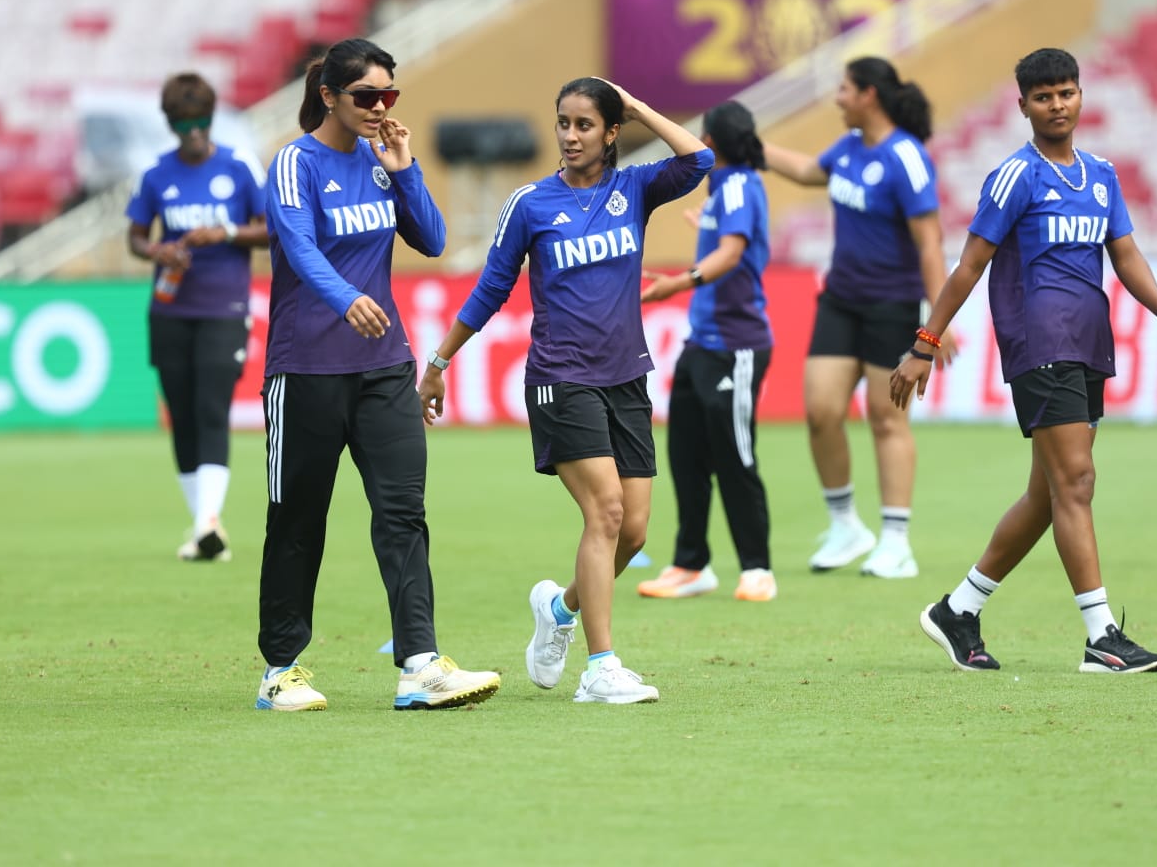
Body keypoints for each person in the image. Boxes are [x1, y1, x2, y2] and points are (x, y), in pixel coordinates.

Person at [890, 47, 1157, 674]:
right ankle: (1102, 635)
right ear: (1022, 105)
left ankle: (958, 610)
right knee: (1076, 482)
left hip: (1086, 343)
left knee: (1048, 491)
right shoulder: (1015, 176)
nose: (1057, 104)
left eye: (1066, 92)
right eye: (1044, 96)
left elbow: (1126, 254)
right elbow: (970, 264)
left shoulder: (1101, 175)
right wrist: (926, 343)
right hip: (1038, 343)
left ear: (1081, 96)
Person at [418, 77, 713, 704]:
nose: (570, 135)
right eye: (563, 123)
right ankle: (600, 668)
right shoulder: (530, 203)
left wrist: (635, 106)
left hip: (626, 377)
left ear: (610, 133)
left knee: (633, 532)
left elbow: (699, 159)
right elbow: (491, 288)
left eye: (585, 124)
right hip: (561, 379)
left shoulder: (633, 188)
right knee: (605, 512)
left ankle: (559, 608)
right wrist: (439, 360)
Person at [254, 37, 500, 712]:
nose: (379, 107)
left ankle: (418, 664)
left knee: (403, 514)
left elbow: (433, 239)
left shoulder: (380, 159)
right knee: (298, 520)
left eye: (389, 95)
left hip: (385, 369)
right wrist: (344, 298)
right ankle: (280, 670)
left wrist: (406, 167)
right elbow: (298, 244)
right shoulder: (293, 164)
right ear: (329, 95)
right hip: (305, 370)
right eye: (366, 96)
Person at [763, 56, 954, 578]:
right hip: (840, 300)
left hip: (892, 305)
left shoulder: (907, 158)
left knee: (885, 419)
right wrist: (749, 149)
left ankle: (896, 542)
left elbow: (930, 244)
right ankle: (846, 526)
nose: (838, 97)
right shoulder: (847, 148)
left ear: (869, 95)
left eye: (844, 89)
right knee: (821, 411)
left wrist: (936, 324)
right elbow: (807, 172)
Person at [635, 101, 776, 603]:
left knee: (735, 454)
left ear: (712, 140)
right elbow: (734, 243)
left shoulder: (737, 183)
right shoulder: (726, 187)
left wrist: (678, 283)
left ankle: (758, 568)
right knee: (687, 455)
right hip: (704, 342)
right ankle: (691, 564)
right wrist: (708, 229)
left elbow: (734, 252)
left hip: (736, 345)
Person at [125, 72, 268, 563]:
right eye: (183, 123)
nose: (193, 132)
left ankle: (208, 520)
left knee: (211, 408)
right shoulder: (157, 175)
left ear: (211, 118)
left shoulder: (238, 166)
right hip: (169, 309)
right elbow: (137, 236)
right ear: (170, 124)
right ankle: (205, 527)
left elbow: (272, 229)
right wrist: (158, 251)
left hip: (222, 307)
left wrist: (225, 231)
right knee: (181, 415)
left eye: (200, 121)